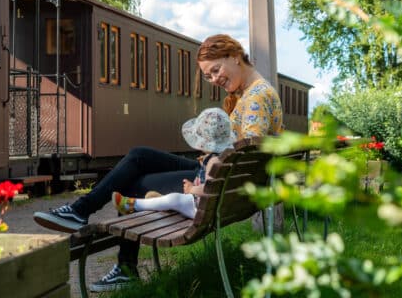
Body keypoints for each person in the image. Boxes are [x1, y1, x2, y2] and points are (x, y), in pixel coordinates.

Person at [33, 34, 283, 292]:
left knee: (134, 183)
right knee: (140, 155)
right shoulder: (253, 92)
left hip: (216, 183)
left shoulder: (255, 98)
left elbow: (246, 152)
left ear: (234, 56)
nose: (214, 79)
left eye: (215, 70)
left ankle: (119, 260)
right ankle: (81, 212)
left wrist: (209, 167)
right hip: (222, 179)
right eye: (208, 76)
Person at [112, 107, 235, 219]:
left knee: (174, 198)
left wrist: (192, 188)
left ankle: (132, 205)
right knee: (175, 198)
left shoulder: (213, 161)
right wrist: (195, 184)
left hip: (201, 209)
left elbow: (211, 189)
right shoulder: (224, 157)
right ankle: (160, 203)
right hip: (211, 206)